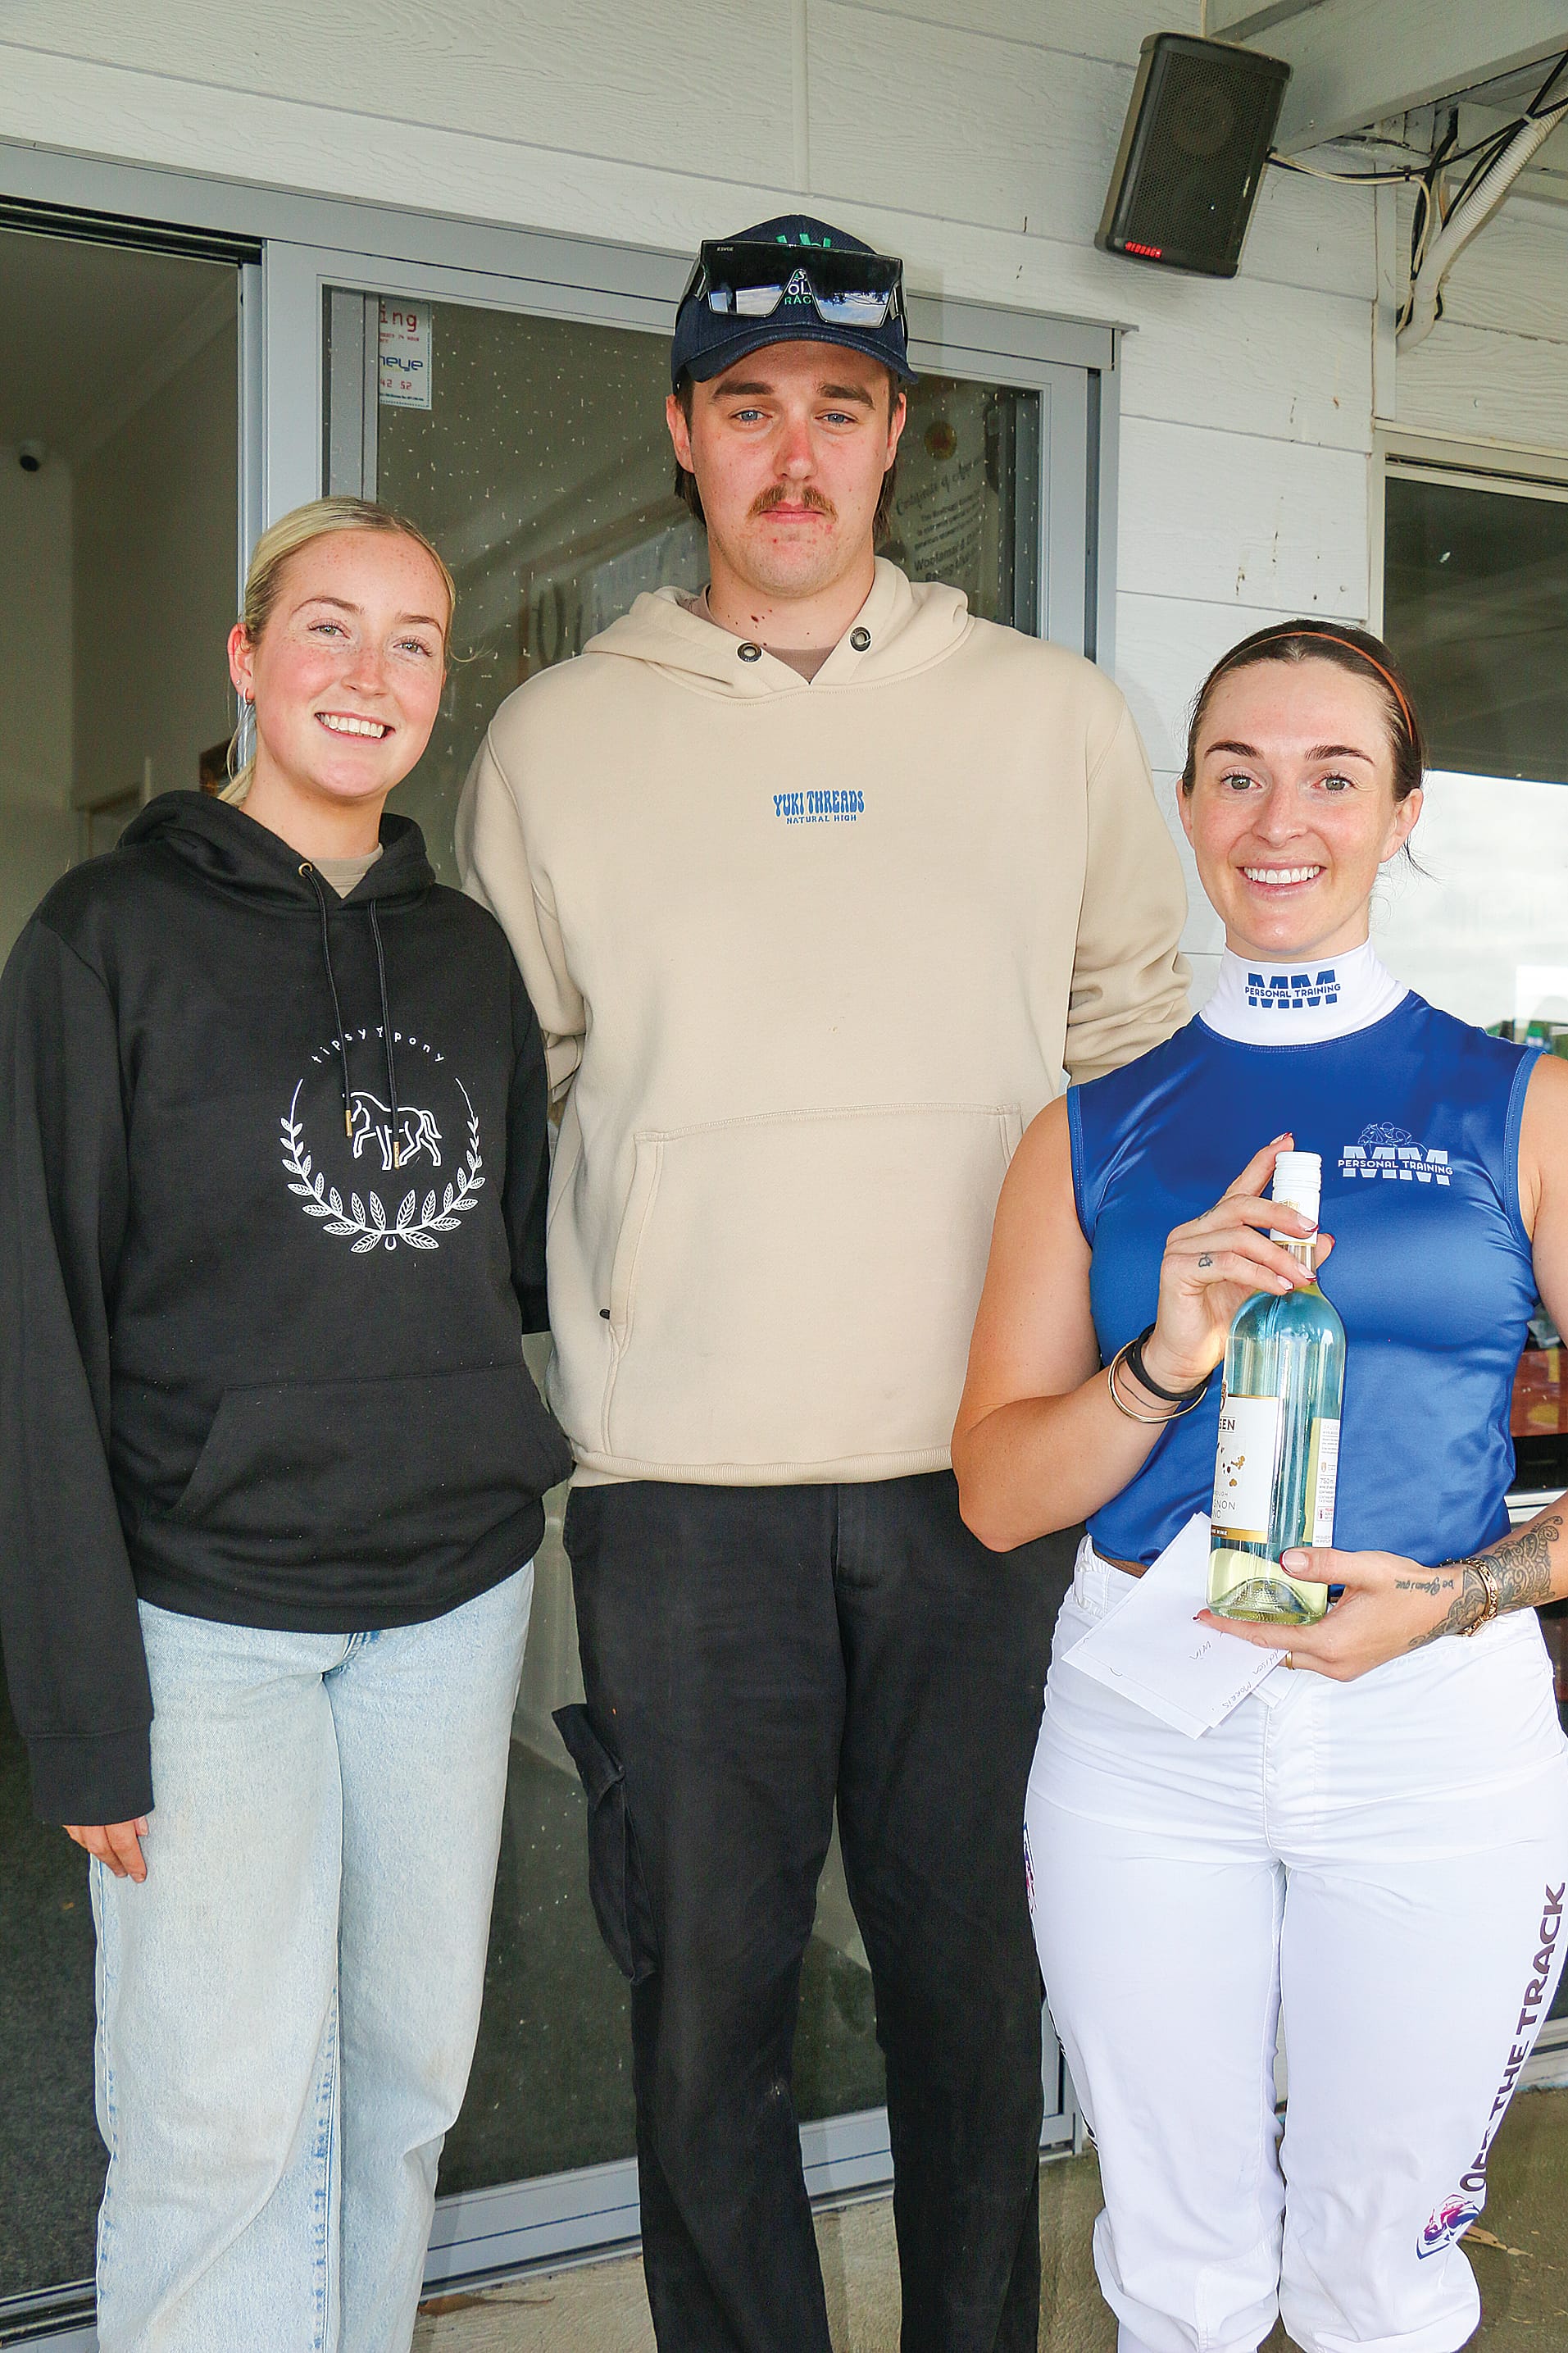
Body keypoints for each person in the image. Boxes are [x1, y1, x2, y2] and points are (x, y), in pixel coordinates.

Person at [457, 214, 1188, 2353]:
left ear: (897, 436)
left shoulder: (1052, 718)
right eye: (751, 406)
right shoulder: (555, 738)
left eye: (840, 410)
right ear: (685, 433)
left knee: (969, 1993)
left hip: (984, 1471)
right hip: (683, 1483)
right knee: (708, 2015)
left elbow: (1134, 1054)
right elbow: (520, 1089)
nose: (796, 452)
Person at [953, 618, 1568, 2353]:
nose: (1277, 819)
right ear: (1185, 805)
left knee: (1379, 2277)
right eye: (1236, 774)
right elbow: (996, 1492)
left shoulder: (1518, 1105)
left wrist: (1458, 1597)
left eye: (1331, 776)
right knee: (1179, 2270)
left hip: (1431, 1723)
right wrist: (1163, 1356)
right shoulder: (1090, 1128)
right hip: (1148, 1724)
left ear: (1403, 815)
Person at [0, 496, 570, 2353]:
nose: (369, 673)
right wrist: (82, 1708)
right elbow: (35, 1330)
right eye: (329, 626)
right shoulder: (103, 938)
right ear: (246, 659)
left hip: (452, 1601)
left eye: (413, 641)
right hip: (208, 1616)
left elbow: (505, 1268)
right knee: (216, 2116)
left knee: (401, 2087)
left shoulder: (468, 958)